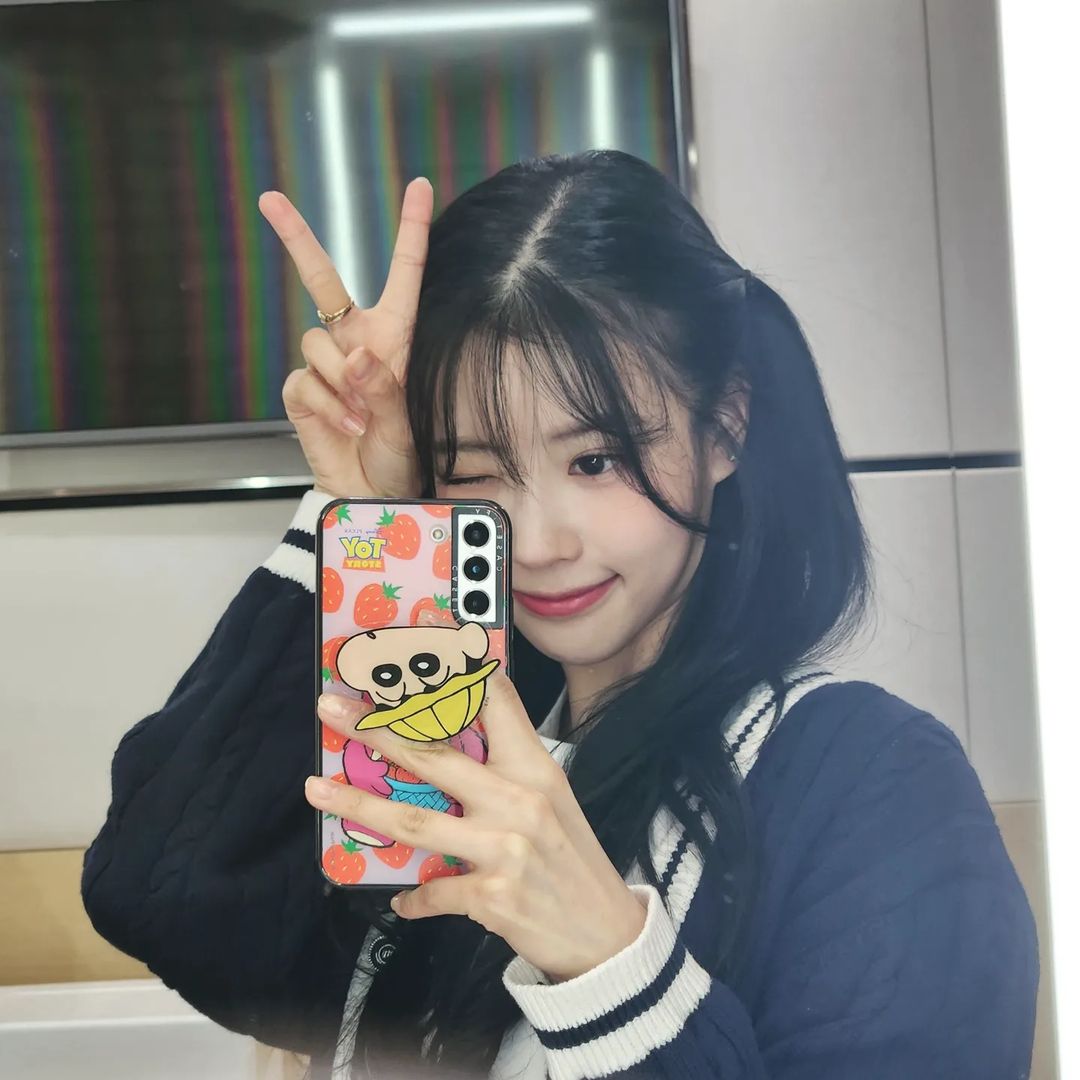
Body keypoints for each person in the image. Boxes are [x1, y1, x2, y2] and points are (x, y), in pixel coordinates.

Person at [81, 151, 1039, 1079]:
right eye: (473, 471)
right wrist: (370, 519)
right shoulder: (452, 740)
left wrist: (607, 966)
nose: (535, 543)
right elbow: (170, 905)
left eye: (596, 460)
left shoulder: (877, 790)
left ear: (724, 427)